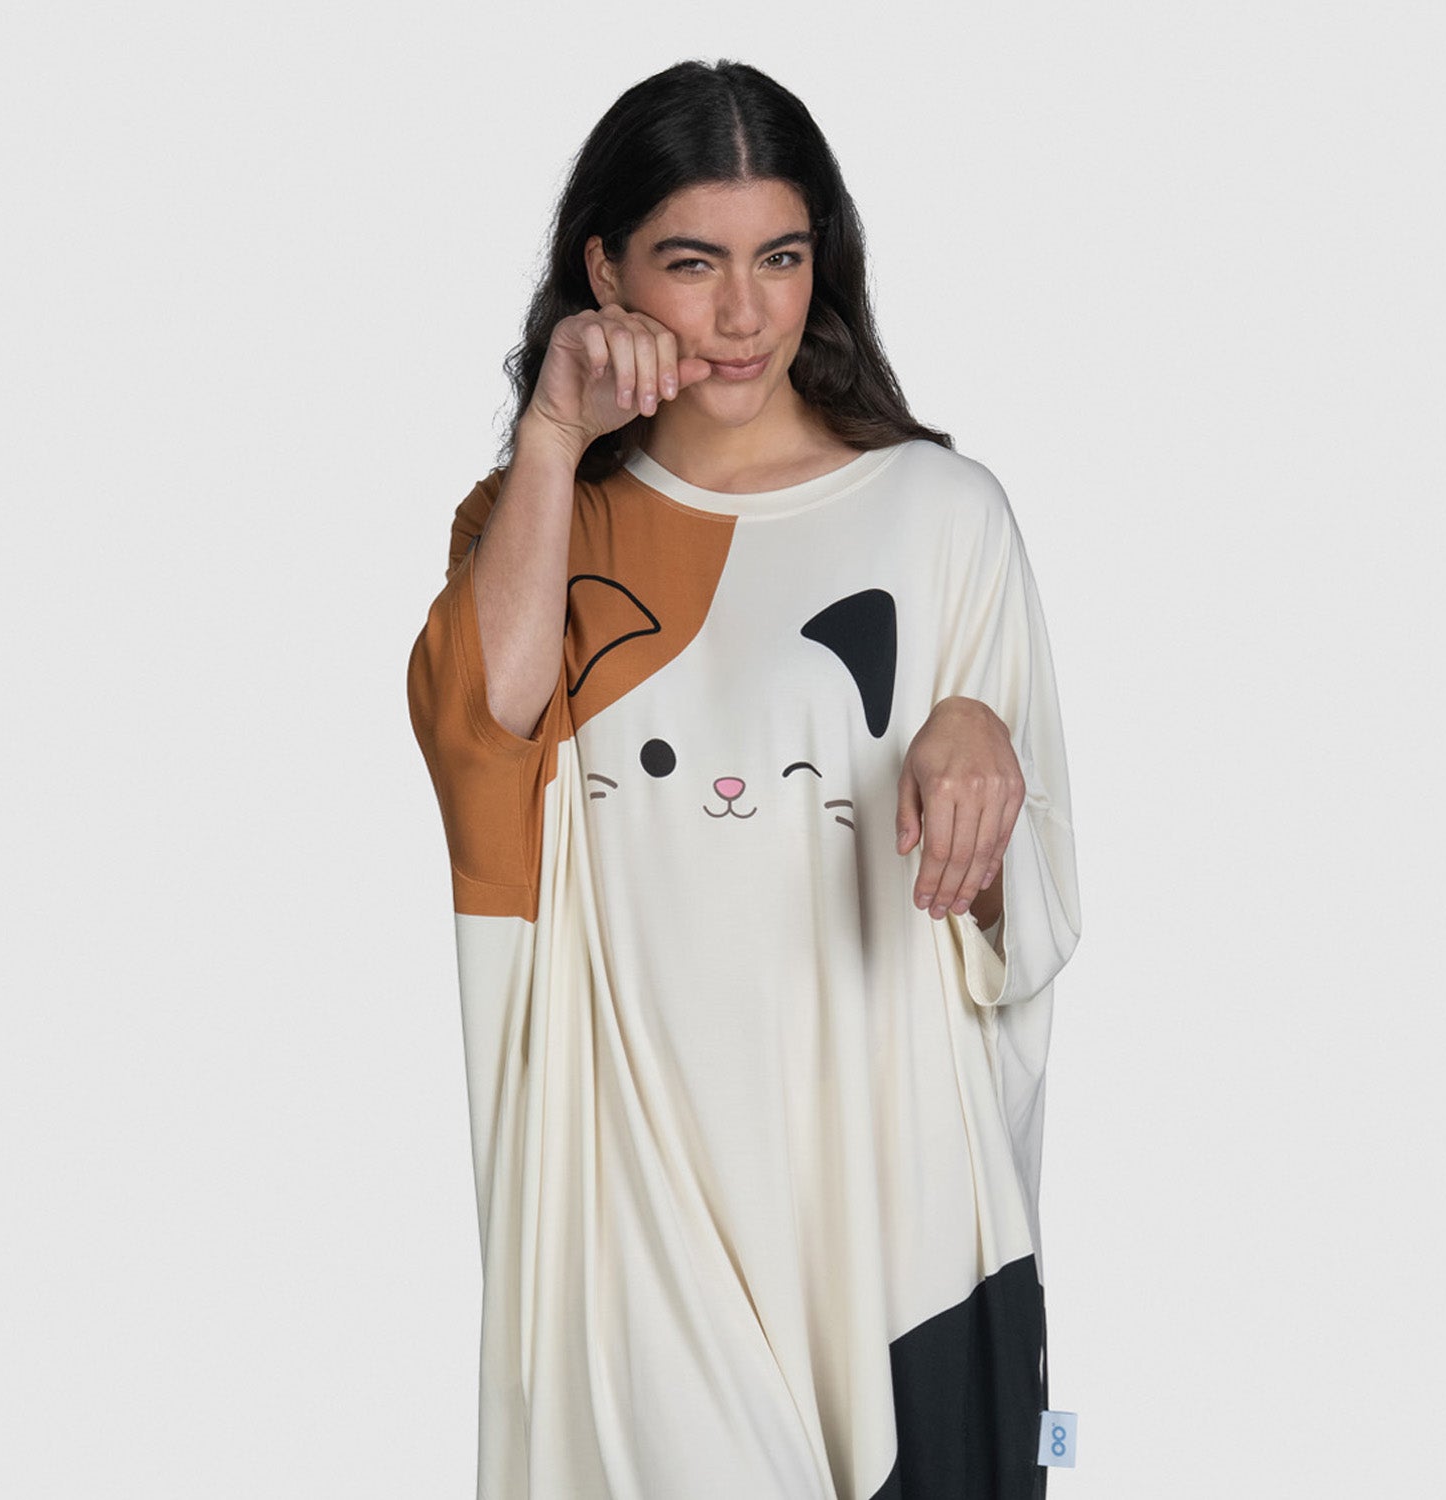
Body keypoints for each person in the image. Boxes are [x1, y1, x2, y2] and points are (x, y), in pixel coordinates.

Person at [407, 57, 1081, 1500]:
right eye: (691, 262)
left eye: (779, 257)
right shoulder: (546, 518)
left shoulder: (944, 516)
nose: (741, 315)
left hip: (881, 1208)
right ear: (604, 269)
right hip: (635, 1198)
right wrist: (551, 435)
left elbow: (1026, 922)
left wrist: (984, 746)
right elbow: (481, 736)